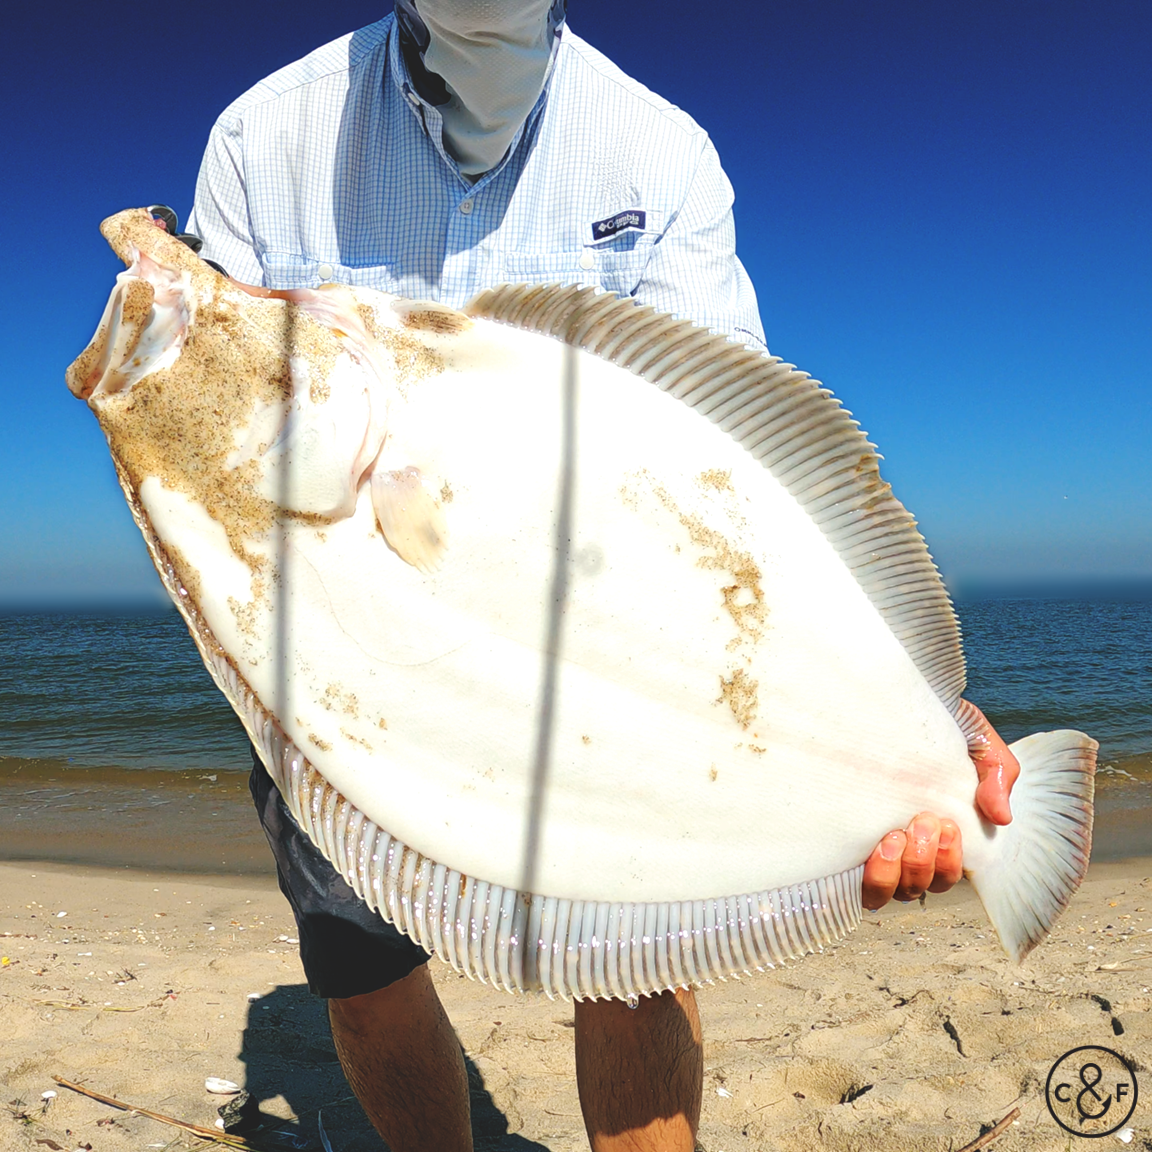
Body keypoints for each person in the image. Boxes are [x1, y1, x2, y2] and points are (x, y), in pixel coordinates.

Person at [187, 4, 1021, 1150]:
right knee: (364, 968)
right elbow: (215, 423)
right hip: (348, 667)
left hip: (611, 658)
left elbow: (730, 473)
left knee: (635, 970)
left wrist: (923, 726)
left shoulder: (656, 152)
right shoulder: (258, 143)